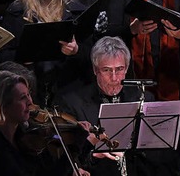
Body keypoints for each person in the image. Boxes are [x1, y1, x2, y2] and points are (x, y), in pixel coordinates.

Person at [0, 0, 86, 106]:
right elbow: (2, 57)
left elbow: (91, 56)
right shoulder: (17, 11)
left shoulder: (76, 11)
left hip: (67, 91)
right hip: (28, 93)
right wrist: (23, 57)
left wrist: (76, 51)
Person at [60, 36, 152, 176]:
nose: (114, 78)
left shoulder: (144, 99)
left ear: (127, 68)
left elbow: (157, 157)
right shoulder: (73, 103)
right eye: (107, 70)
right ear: (95, 70)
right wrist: (93, 154)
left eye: (119, 69)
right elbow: (66, 161)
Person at [0, 70, 83, 176]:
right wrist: (77, 146)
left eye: (28, 95)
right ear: (3, 106)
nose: (30, 102)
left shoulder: (23, 137)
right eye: (22, 98)